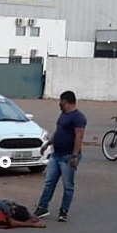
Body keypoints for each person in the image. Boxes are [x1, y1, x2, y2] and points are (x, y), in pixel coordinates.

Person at [33, 91, 87, 222]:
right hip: (56, 155)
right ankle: (42, 207)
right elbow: (59, 131)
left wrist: (74, 156)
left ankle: (64, 211)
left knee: (67, 185)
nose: (59, 104)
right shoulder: (63, 115)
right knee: (49, 182)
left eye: (60, 101)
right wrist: (48, 143)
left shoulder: (78, 117)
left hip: (68, 157)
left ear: (66, 101)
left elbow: (79, 137)